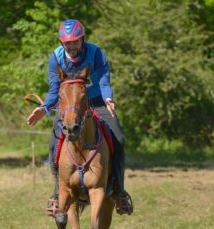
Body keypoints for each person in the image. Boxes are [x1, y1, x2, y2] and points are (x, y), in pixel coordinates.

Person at [26, 19, 133, 216]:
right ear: (61, 43)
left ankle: (119, 191)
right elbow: (54, 89)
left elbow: (103, 80)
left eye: (75, 41)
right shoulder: (56, 57)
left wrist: (108, 98)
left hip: (97, 102)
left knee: (119, 138)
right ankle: (58, 192)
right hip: (69, 106)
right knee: (53, 144)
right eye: (67, 42)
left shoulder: (96, 53)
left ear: (82, 39)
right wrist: (44, 108)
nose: (71, 46)